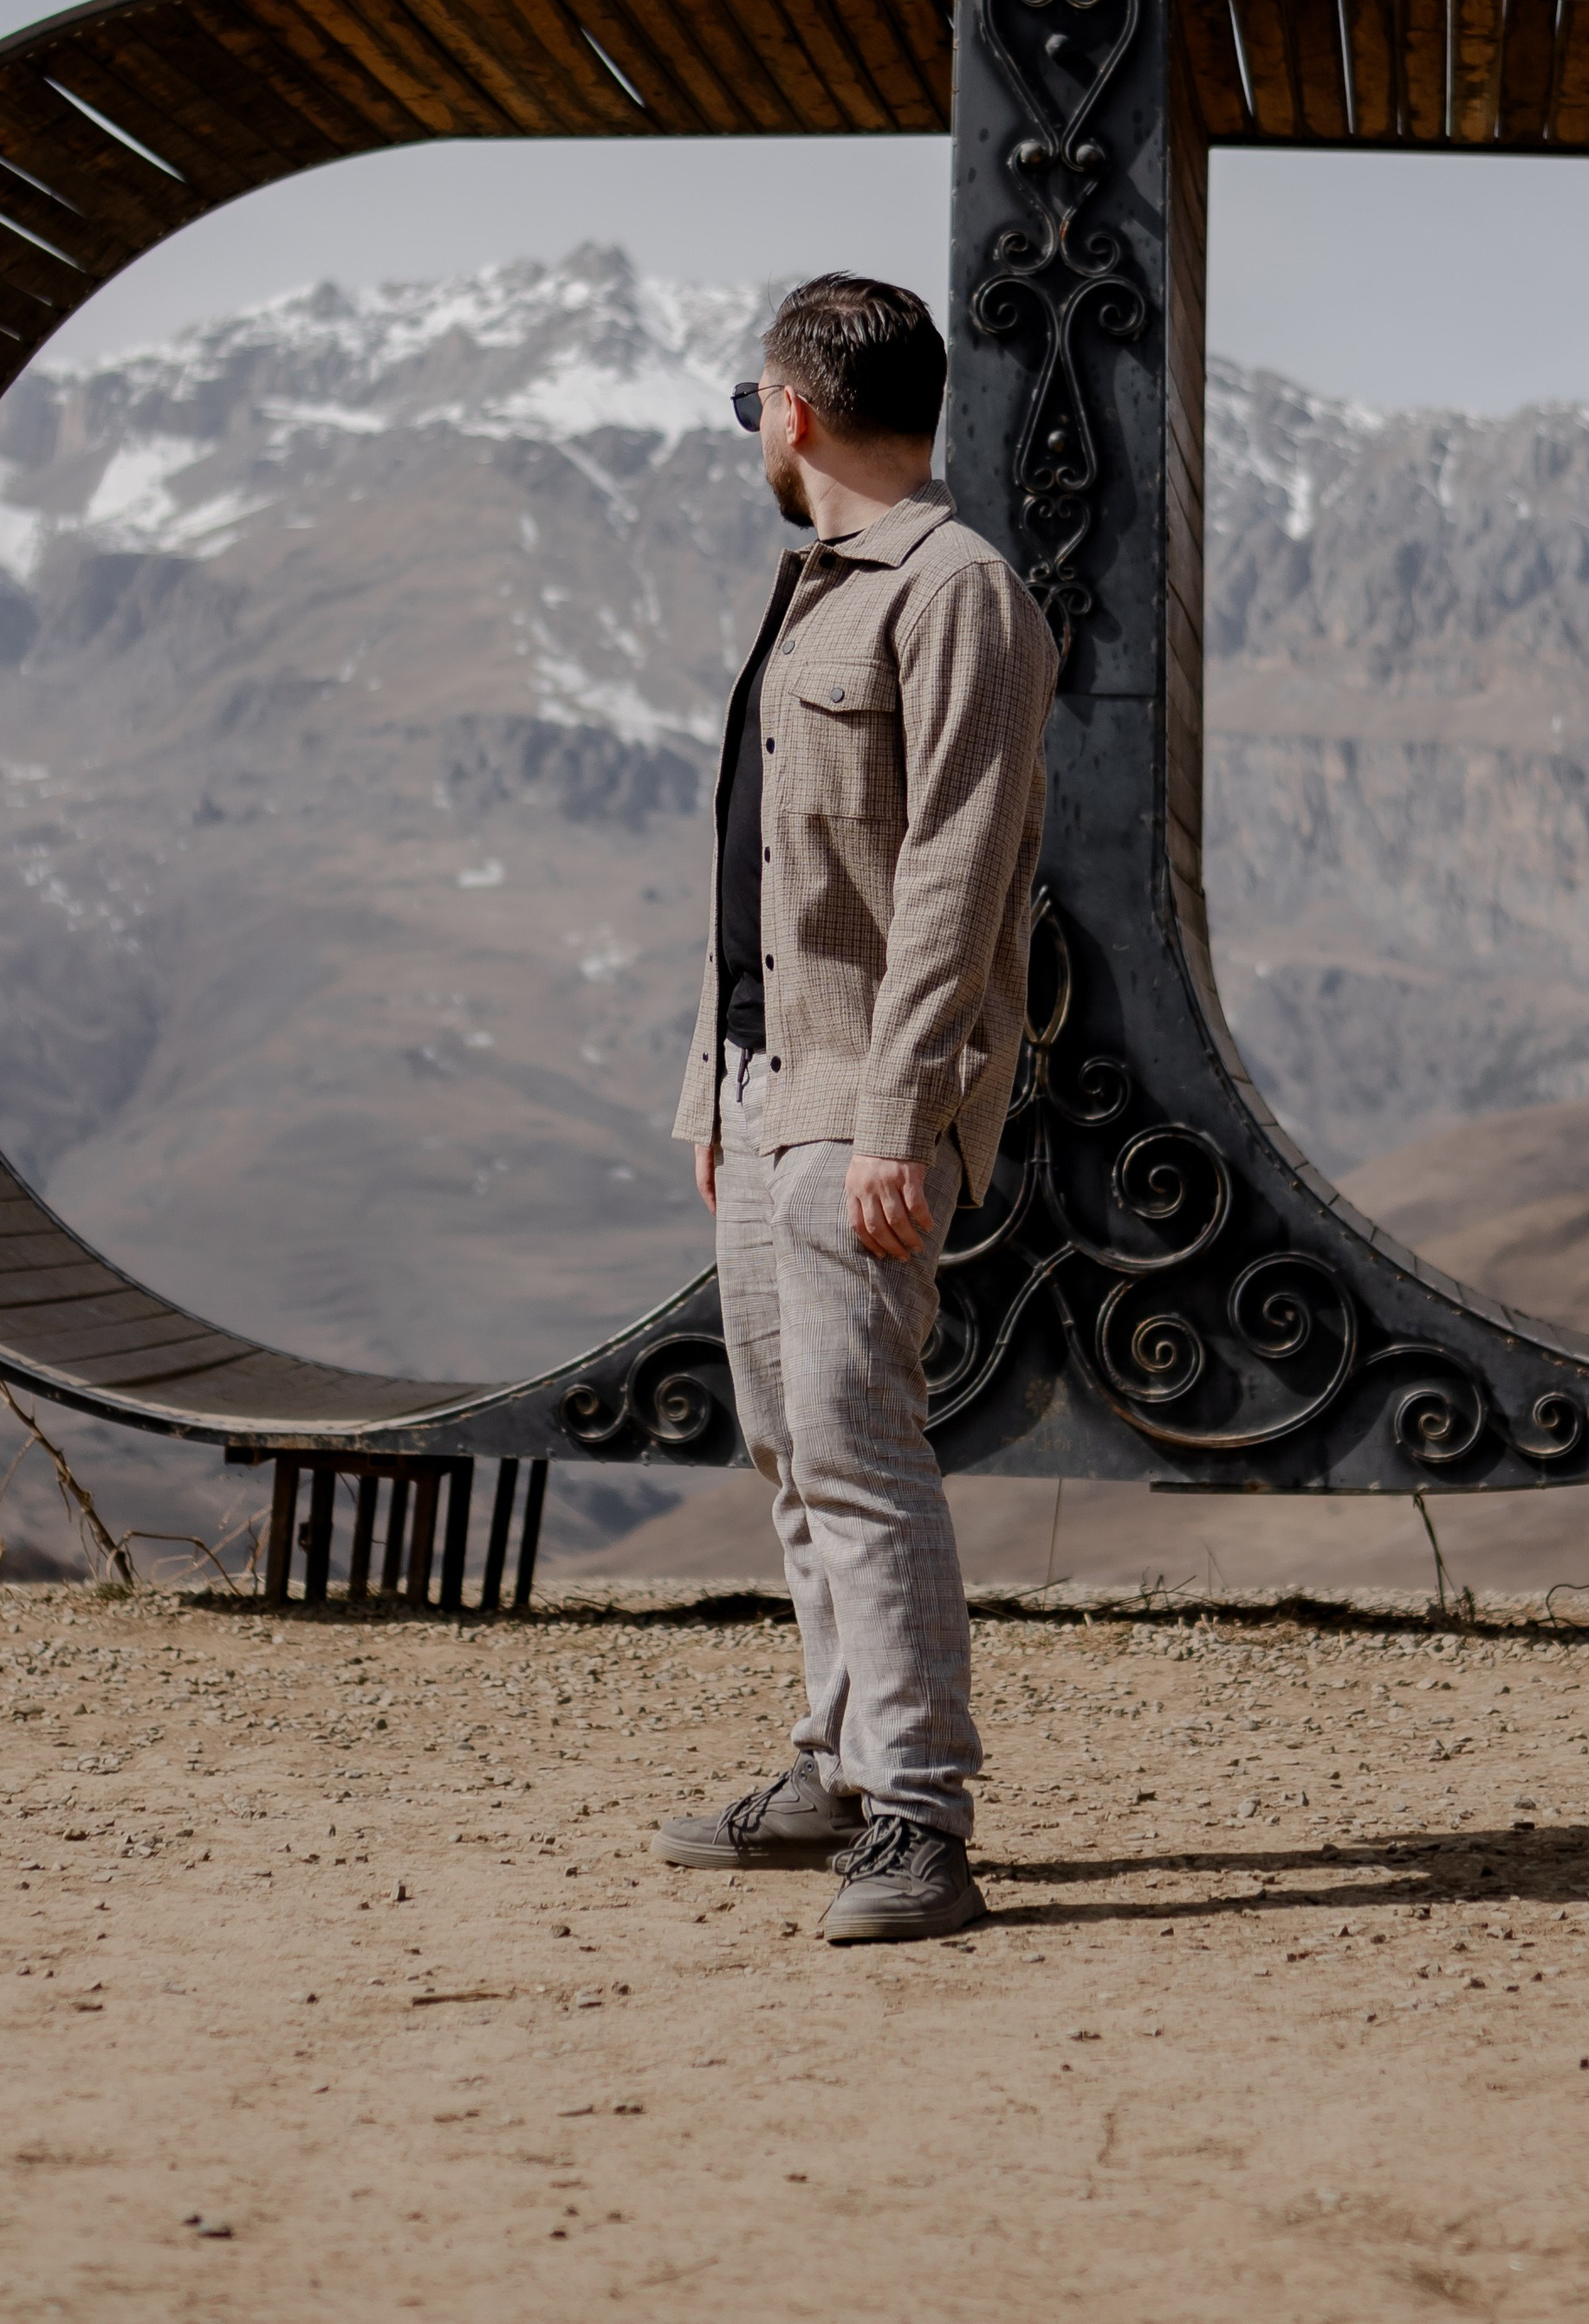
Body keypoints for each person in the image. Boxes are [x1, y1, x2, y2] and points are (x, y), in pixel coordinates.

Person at [654, 275, 1058, 1943]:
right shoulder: (811, 587)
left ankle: (920, 1819)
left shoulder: (955, 591)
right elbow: (761, 863)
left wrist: (899, 1119)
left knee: (864, 1447)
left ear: (795, 414)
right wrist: (711, 1082)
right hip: (767, 1092)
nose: (754, 431)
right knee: (789, 1447)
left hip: (861, 1105)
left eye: (755, 406)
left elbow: (961, 879)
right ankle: (832, 1765)